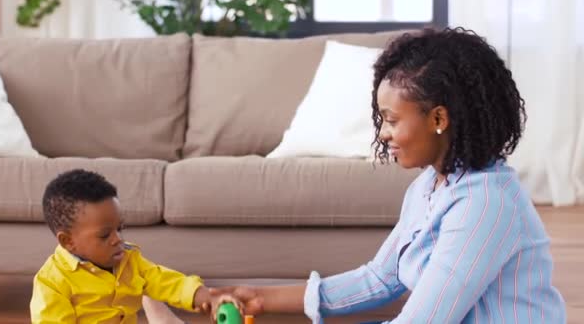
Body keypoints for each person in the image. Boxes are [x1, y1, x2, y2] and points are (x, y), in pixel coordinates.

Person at [211, 27, 567, 323]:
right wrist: (261, 298)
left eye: (392, 120)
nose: (382, 133)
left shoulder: (484, 203)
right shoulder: (429, 187)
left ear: (439, 119)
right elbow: (381, 277)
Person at [30, 169, 236, 323]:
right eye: (104, 235)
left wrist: (209, 296)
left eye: (120, 228)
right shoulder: (51, 283)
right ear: (68, 241)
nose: (117, 239)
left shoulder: (129, 259)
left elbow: (168, 283)